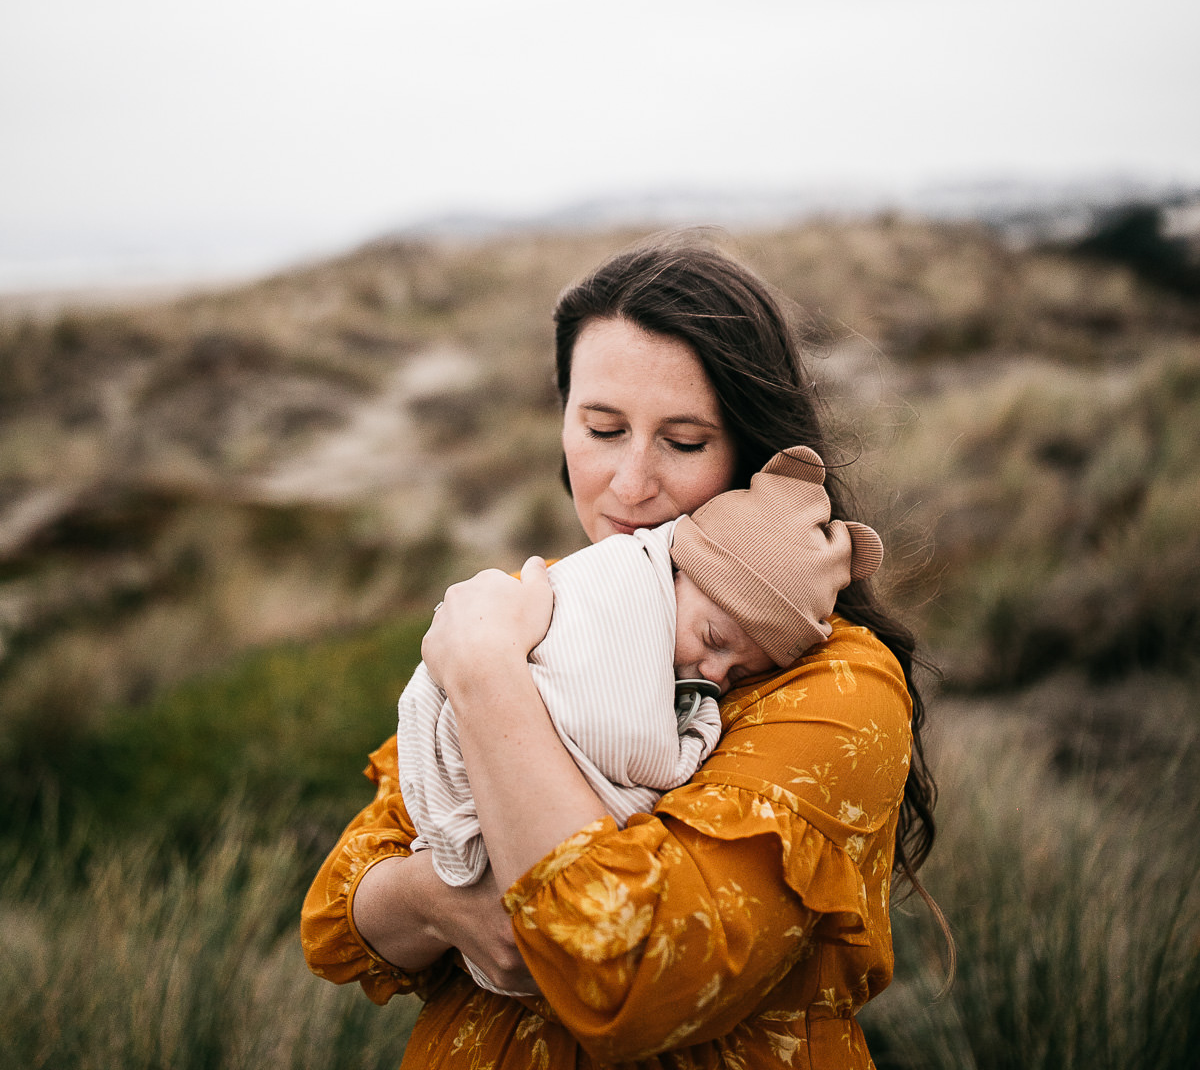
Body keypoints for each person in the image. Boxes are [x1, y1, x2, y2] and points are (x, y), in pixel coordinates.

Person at [302, 238, 944, 1069]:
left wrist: (487, 676)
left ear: (750, 452)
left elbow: (624, 972)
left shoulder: (836, 683)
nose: (630, 484)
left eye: (683, 442)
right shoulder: (550, 607)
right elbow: (335, 918)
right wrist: (442, 903)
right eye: (602, 428)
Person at [397, 445, 884, 994]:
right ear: (677, 571)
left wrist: (485, 668)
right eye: (713, 640)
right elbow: (617, 734)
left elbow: (612, 949)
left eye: (743, 670)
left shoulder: (840, 687)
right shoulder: (617, 590)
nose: (714, 673)